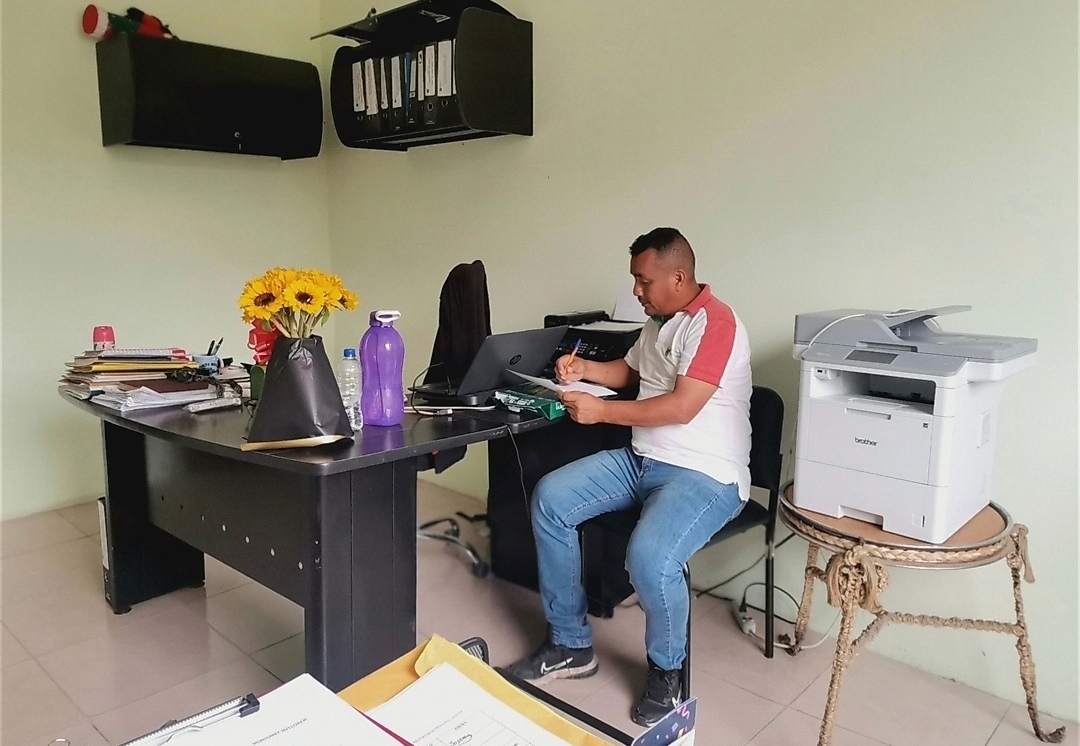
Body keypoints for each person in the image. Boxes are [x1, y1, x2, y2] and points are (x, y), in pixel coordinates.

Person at [501, 227, 753, 727]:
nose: (636, 290)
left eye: (644, 280)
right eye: (635, 280)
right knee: (551, 499)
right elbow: (632, 374)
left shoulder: (715, 322)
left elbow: (682, 407)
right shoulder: (658, 322)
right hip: (643, 460)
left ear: (678, 277)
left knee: (650, 558)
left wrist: (601, 413)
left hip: (705, 474)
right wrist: (583, 369)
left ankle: (667, 671)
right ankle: (570, 645)